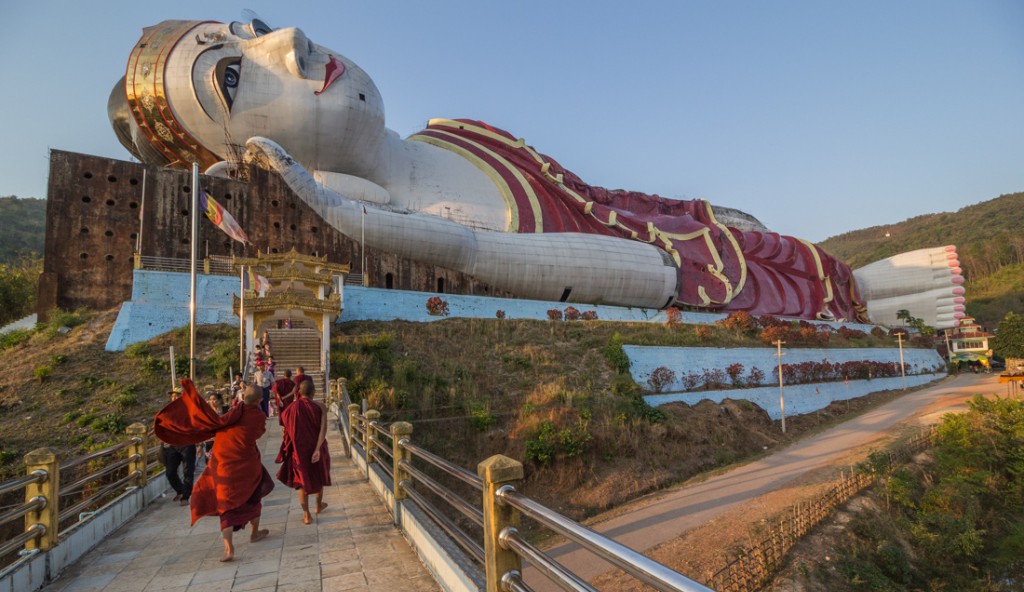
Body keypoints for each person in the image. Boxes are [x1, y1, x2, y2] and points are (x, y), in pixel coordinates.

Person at [109, 17, 963, 326]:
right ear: (241, 159)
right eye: (233, 76)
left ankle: (867, 290)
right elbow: (577, 268)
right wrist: (326, 208)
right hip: (650, 264)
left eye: (246, 26)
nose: (285, 41)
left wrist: (676, 219)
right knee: (730, 268)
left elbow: (597, 198)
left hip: (647, 220)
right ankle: (877, 297)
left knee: (741, 230)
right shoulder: (413, 212)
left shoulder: (454, 132)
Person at [155, 380, 273, 562]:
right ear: (259, 400)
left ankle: (228, 548)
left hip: (222, 463)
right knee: (253, 496)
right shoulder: (257, 416)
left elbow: (216, 423)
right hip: (246, 463)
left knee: (225, 505)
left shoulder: (233, 412)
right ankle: (254, 533)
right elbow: (258, 433)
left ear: (243, 397)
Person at [276, 378, 331, 525]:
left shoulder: (290, 409)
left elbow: (286, 430)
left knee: (301, 481)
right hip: (316, 447)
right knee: (319, 475)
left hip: (298, 450)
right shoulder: (320, 407)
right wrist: (318, 449)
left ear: (298, 391)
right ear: (314, 391)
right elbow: (323, 429)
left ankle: (306, 515)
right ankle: (318, 505)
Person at [160, 387, 196, 506]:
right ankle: (180, 490)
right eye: (173, 396)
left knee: (188, 471)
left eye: (177, 395)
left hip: (188, 444)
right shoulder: (168, 411)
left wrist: (200, 443)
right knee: (170, 472)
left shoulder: (190, 410)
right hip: (173, 445)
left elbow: (197, 426)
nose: (174, 398)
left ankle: (185, 497)